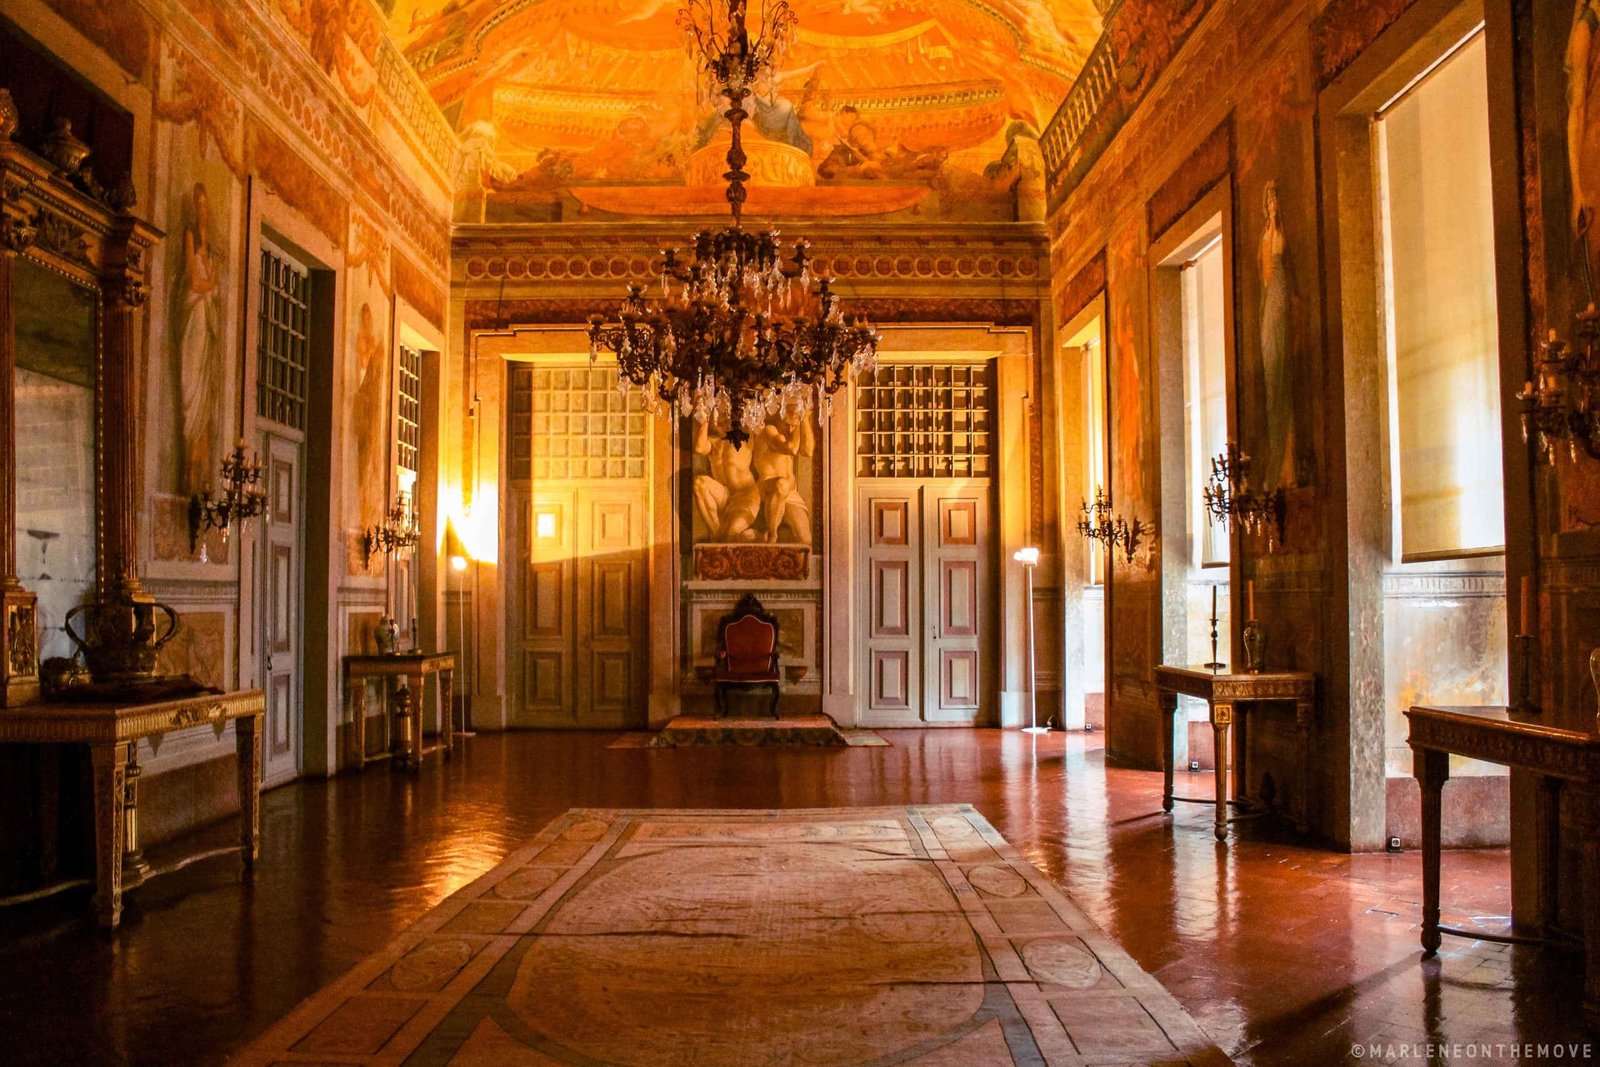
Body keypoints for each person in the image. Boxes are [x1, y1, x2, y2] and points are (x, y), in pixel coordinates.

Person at [176, 182, 222, 496]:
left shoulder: (211, 245)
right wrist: (210, 284)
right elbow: (195, 280)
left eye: (206, 206)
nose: (203, 211)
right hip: (193, 319)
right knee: (191, 390)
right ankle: (188, 474)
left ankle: (201, 473)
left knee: (205, 395)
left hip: (206, 320)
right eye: (199, 205)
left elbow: (210, 285)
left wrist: (210, 285)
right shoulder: (190, 237)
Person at [693, 418, 762, 542]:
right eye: (718, 416)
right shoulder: (714, 442)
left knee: (731, 535)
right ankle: (716, 535)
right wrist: (705, 419)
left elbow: (752, 420)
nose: (721, 420)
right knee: (700, 483)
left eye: (725, 416)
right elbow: (699, 448)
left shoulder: (744, 437)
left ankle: (755, 536)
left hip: (745, 497)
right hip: (725, 496)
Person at [751, 414, 814, 545]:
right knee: (782, 484)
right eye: (788, 424)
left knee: (805, 540)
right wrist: (798, 424)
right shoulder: (768, 430)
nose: (791, 428)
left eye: (794, 425)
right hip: (767, 487)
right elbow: (791, 449)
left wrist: (805, 421)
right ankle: (772, 535)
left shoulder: (790, 432)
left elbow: (808, 451)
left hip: (789, 493)